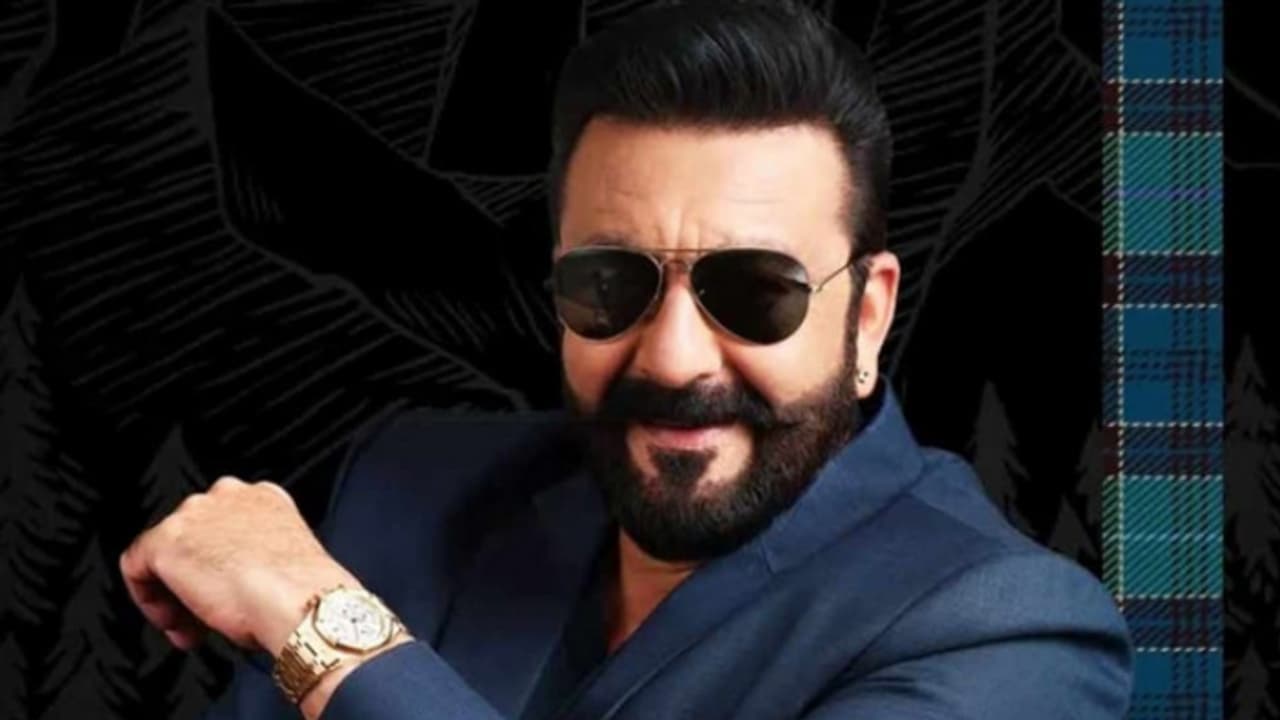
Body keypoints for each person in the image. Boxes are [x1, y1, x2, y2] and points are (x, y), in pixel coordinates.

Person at [120, 1, 1135, 717]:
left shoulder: (1008, 633)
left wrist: (324, 626)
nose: (674, 358)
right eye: (610, 284)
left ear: (866, 318)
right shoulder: (409, 488)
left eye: (755, 292)